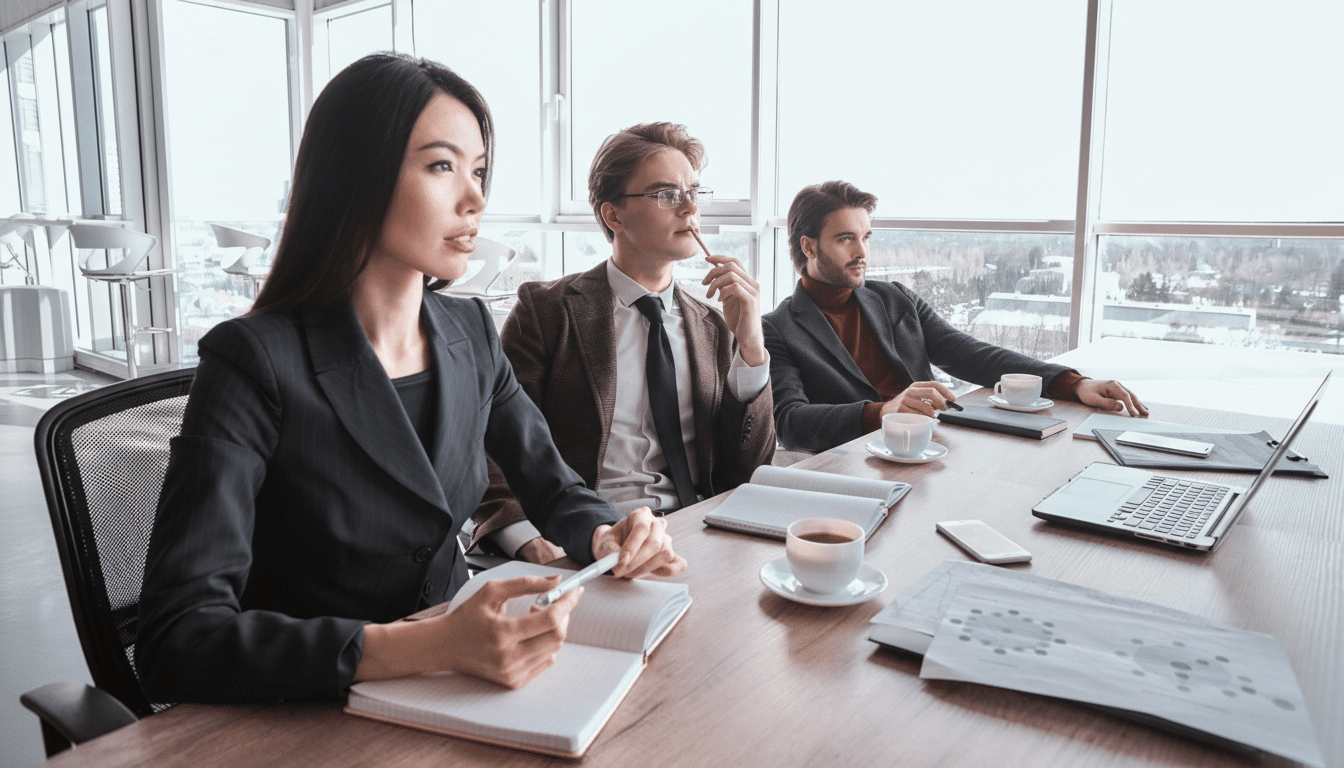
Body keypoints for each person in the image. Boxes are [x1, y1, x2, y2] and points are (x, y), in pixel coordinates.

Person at [135, 54, 684, 703]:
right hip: (314, 702)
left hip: (459, 682)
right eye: (441, 165)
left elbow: (553, 486)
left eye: (478, 170)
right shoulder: (252, 362)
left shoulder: (472, 333)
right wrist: (427, 646)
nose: (476, 197)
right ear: (354, 180)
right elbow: (177, 640)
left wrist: (604, 533)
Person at [469, 122, 775, 563]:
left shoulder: (715, 323)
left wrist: (751, 349)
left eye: (694, 191)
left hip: (691, 537)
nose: (690, 208)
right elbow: (493, 444)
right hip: (582, 541)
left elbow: (747, 472)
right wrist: (529, 540)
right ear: (614, 216)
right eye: (667, 194)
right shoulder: (546, 311)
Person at [762, 180, 1147, 453]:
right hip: (859, 466)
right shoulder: (778, 329)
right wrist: (883, 413)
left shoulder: (895, 298)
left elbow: (971, 354)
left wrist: (1072, 383)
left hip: (936, 450)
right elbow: (791, 424)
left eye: (866, 236)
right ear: (808, 246)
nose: (862, 251)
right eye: (846, 238)